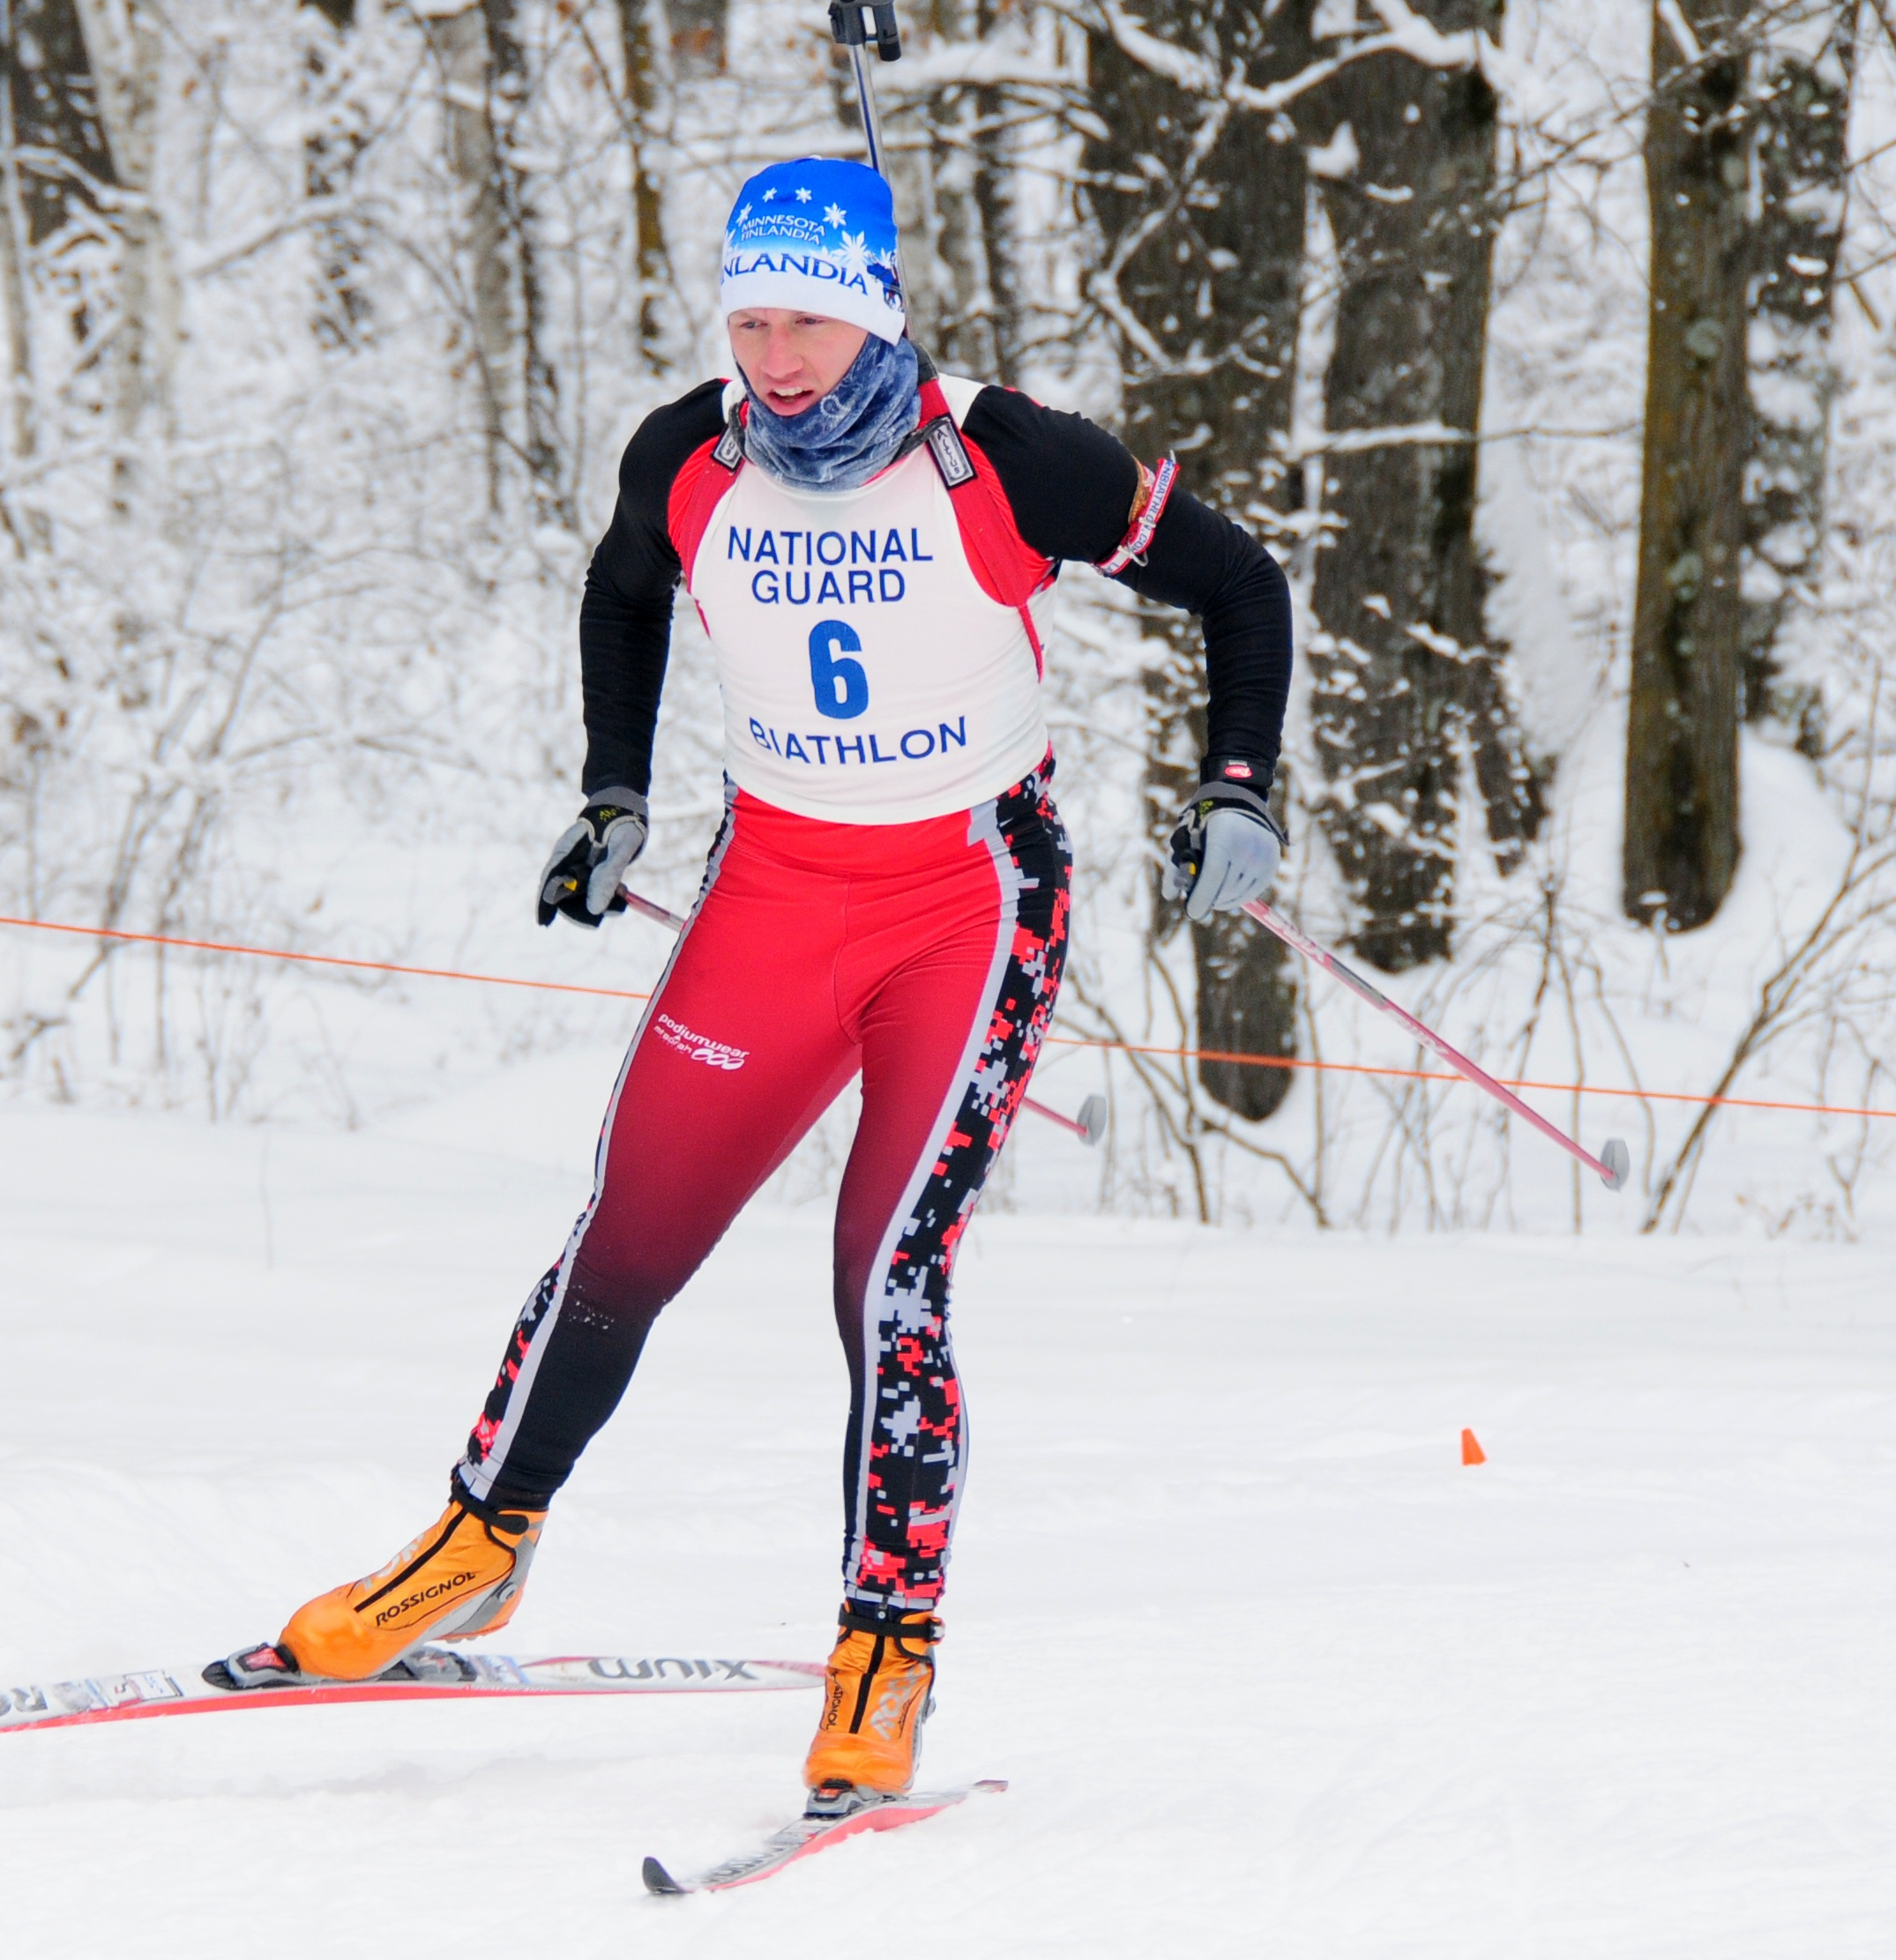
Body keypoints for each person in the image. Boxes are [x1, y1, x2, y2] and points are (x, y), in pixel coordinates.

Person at [215, 158, 1292, 1809]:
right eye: (747, 317)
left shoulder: (1003, 457)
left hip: (966, 902)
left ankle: (885, 1642)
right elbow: (623, 589)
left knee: (888, 1279)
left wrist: (1235, 781)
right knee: (624, 1231)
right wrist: (610, 793)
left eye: (804, 315)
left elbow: (1239, 582)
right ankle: (478, 1543)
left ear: (869, 306)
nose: (774, 353)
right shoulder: (691, 451)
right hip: (775, 890)